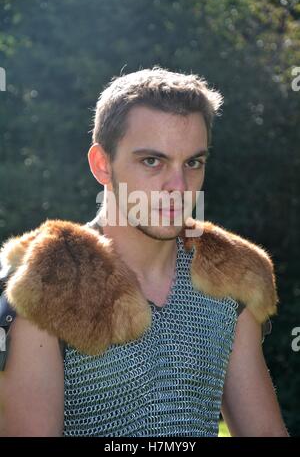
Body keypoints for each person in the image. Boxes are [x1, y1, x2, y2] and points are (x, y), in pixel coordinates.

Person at [0, 67, 289, 437]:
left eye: (193, 163)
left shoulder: (229, 279)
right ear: (102, 164)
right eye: (152, 161)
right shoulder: (46, 283)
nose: (178, 187)